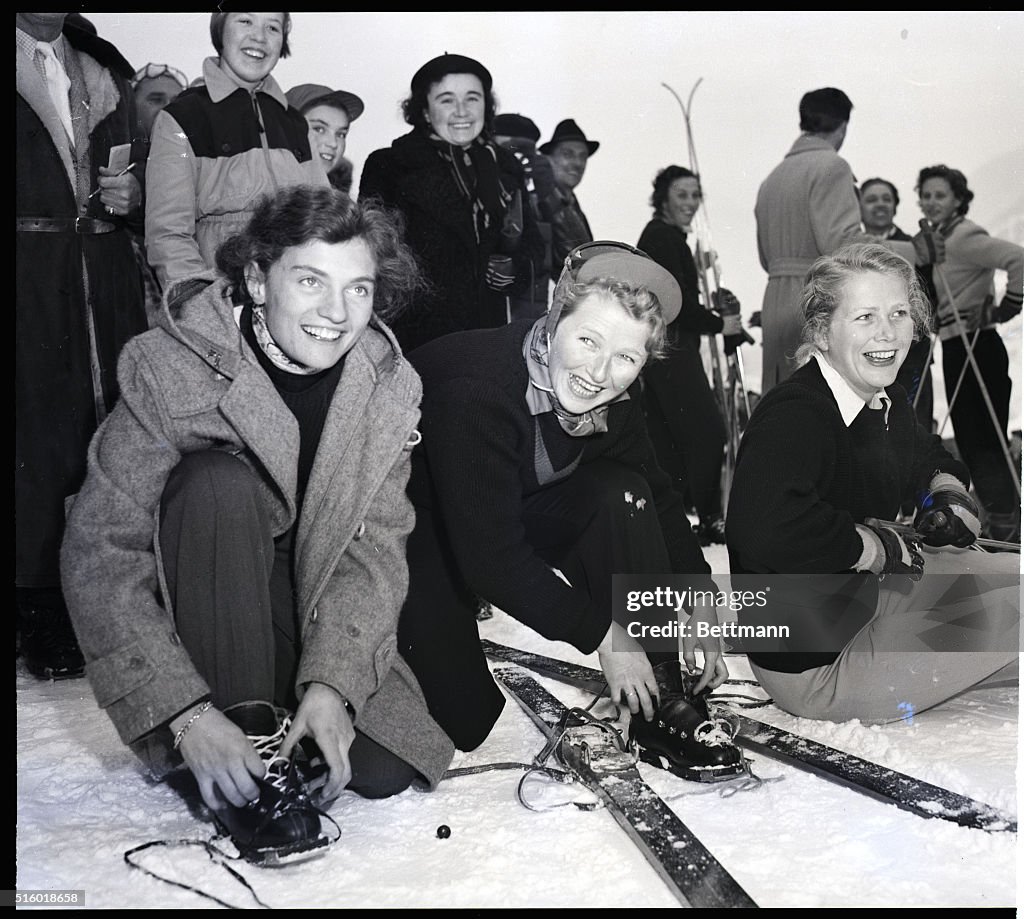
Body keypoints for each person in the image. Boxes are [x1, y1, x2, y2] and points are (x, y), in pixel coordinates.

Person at [60, 186, 454, 866]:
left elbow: (375, 551)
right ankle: (238, 728)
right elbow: (99, 551)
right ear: (256, 278)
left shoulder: (389, 384)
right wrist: (185, 715)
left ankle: (281, 704)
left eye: (357, 288)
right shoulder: (171, 366)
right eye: (310, 281)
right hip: (199, 591)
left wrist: (331, 685)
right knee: (216, 483)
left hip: (292, 599)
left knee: (381, 764)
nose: (337, 313)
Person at [398, 240, 742, 784]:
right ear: (556, 315)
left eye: (626, 358)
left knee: (620, 490)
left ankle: (657, 693)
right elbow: (490, 558)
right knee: (455, 721)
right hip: (418, 530)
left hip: (507, 509)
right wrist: (605, 634)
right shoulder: (477, 390)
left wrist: (696, 597)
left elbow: (659, 494)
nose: (599, 373)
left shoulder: (616, 402)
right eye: (588, 340)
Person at [727, 242, 1019, 725]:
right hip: (819, 666)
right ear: (822, 330)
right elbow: (764, 528)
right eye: (864, 317)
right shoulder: (796, 412)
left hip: (867, 608)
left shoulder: (883, 399)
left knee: (1010, 578)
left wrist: (946, 492)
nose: (887, 332)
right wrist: (873, 547)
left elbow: (924, 454)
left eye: (899, 313)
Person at [16, 12, 149, 681]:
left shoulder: (105, 67)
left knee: (97, 432)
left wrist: (135, 195)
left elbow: (148, 178)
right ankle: (36, 605)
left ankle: (88, 601)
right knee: (30, 435)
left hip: (103, 274)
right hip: (25, 273)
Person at [754, 88, 941, 395]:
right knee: (825, 399)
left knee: (785, 398)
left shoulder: (772, 178)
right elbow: (841, 242)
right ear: (843, 126)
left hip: (775, 299)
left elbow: (765, 257)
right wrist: (913, 251)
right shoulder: (831, 166)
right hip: (815, 296)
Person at [359, 53, 541, 352]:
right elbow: (374, 258)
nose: (461, 111)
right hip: (416, 339)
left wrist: (514, 269)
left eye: (472, 98)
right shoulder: (390, 165)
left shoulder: (505, 166)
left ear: (487, 104)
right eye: (446, 100)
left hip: (489, 336)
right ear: (425, 111)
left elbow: (531, 245)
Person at [145, 12, 327, 289]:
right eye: (245, 21)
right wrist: (201, 307)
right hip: (221, 299)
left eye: (273, 27)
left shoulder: (295, 123)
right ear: (220, 29)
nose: (259, 36)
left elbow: (323, 220)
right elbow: (168, 235)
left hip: (293, 298)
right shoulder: (181, 118)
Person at [637, 165, 746, 545]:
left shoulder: (665, 238)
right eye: (682, 195)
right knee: (707, 432)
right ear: (663, 198)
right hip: (673, 350)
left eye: (695, 195)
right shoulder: (664, 237)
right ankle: (710, 516)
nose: (690, 203)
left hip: (661, 351)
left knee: (668, 439)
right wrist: (721, 325)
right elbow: (676, 302)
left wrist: (709, 303)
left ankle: (675, 519)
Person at [916, 165, 1023, 541]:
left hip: (979, 343)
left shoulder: (963, 235)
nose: (931, 202)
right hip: (957, 344)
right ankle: (1000, 522)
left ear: (959, 199)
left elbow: (1018, 258)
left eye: (940, 195)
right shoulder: (939, 238)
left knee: (985, 441)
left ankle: (1008, 527)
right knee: (972, 439)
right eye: (925, 195)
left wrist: (1005, 308)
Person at [858, 176, 937, 430]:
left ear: (895, 206)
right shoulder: (850, 250)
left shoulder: (916, 247)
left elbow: (930, 301)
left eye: (886, 199)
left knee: (911, 427)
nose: (879, 205)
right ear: (859, 207)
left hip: (909, 356)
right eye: (871, 200)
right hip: (861, 354)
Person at [130, 62, 189, 325]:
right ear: (132, 108)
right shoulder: (116, 164)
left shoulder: (197, 166)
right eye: (155, 100)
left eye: (176, 101)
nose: (167, 108)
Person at [493, 112, 556, 320]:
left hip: (529, 312)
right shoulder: (491, 186)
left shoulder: (536, 196)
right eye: (512, 148)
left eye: (527, 152)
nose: (520, 159)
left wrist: (545, 196)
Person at [539, 118, 598, 268]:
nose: (577, 163)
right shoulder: (539, 204)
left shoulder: (573, 206)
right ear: (548, 159)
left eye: (582, 156)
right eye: (568, 154)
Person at [286, 82, 364, 194]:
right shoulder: (260, 193)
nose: (333, 143)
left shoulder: (335, 206)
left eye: (340, 134)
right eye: (319, 129)